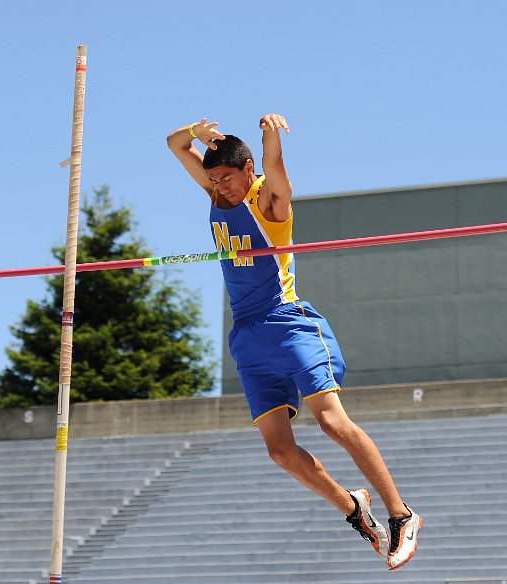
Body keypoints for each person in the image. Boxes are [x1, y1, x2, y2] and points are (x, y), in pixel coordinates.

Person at [167, 114, 421, 571]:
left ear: (247, 170)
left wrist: (268, 137)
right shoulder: (214, 193)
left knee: (331, 423)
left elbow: (275, 166)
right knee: (279, 450)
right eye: (214, 178)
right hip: (246, 336)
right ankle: (353, 508)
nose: (220, 187)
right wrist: (195, 134)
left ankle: (402, 514)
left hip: (288, 324)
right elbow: (173, 144)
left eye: (227, 177)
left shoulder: (269, 201)